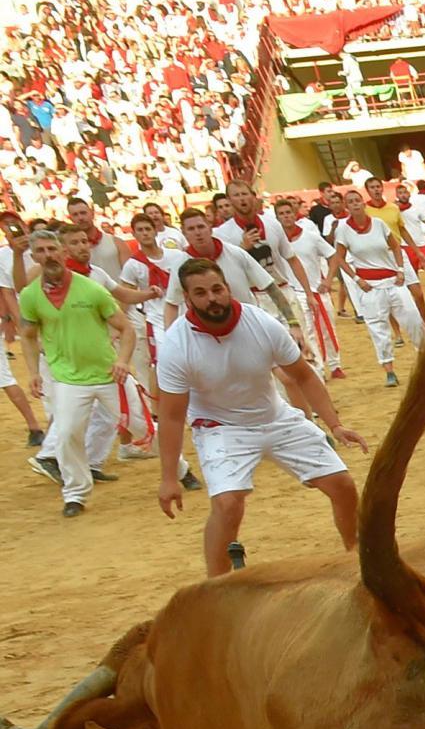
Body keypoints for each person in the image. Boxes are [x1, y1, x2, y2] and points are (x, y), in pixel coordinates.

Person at [152, 257, 363, 580]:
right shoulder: (176, 345)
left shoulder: (261, 323)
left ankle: (357, 557)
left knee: (343, 485)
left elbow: (304, 376)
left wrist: (335, 424)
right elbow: (170, 414)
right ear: (187, 299)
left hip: (275, 416)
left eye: (217, 289)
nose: (212, 299)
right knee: (228, 505)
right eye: (201, 293)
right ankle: (217, 585)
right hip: (220, 427)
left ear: (228, 287)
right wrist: (169, 476)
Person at [16, 222, 132, 518]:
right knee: (67, 433)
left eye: (53, 249)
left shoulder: (91, 288)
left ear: (63, 252)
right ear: (34, 257)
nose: (48, 255)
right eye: (40, 251)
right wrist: (33, 372)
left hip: (108, 372)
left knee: (141, 426)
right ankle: (75, 494)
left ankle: (180, 469)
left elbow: (125, 327)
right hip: (68, 378)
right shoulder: (30, 296)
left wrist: (122, 361)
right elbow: (28, 337)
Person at [326, 193, 425, 386]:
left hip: (392, 281)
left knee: (413, 319)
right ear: (347, 206)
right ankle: (389, 370)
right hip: (369, 286)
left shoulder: (378, 223)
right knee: (378, 328)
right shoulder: (344, 229)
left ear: (363, 203)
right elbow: (339, 257)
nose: (355, 204)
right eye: (350, 202)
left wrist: (400, 270)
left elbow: (396, 246)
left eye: (357, 201)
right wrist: (356, 278)